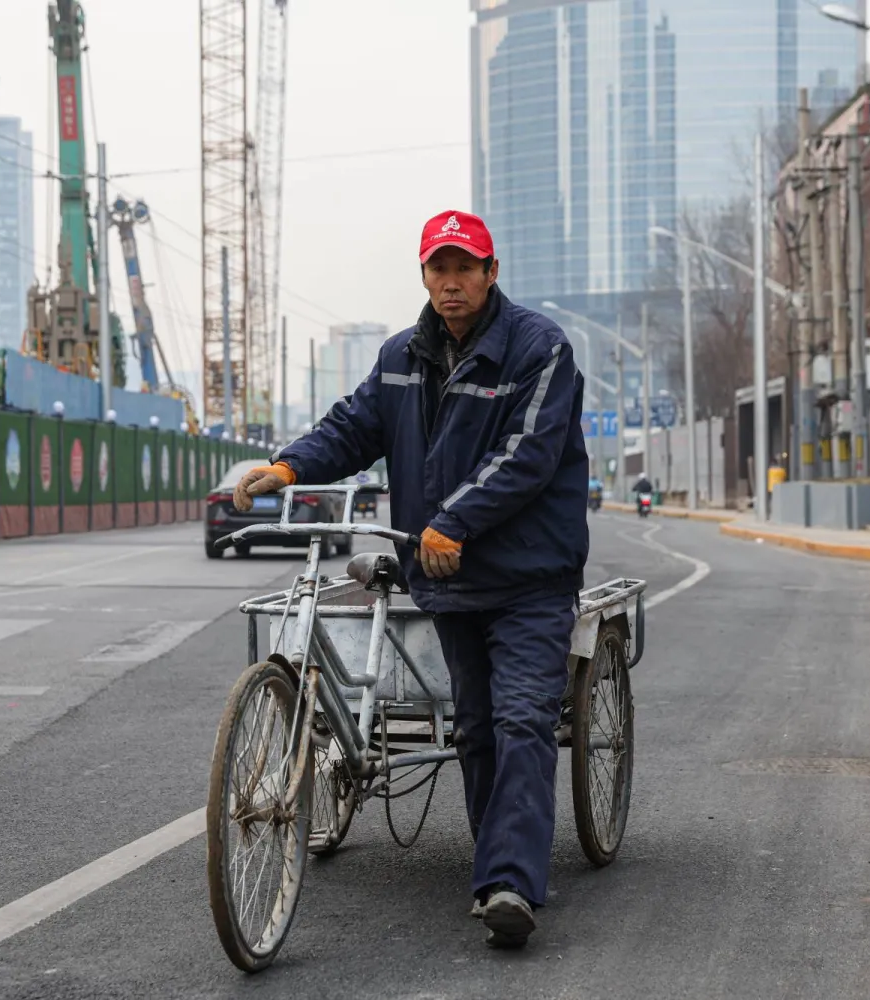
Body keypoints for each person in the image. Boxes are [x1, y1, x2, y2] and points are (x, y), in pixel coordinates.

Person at [231, 209, 588, 950]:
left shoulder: (539, 348)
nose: (451, 283)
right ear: (424, 276)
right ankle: (499, 868)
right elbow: (355, 426)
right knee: (477, 727)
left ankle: (510, 884)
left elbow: (528, 455)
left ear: (492, 274)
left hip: (528, 577)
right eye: (439, 269)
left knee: (525, 719)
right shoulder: (402, 356)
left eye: (466, 268)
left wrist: (454, 520)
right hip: (448, 575)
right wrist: (289, 464)